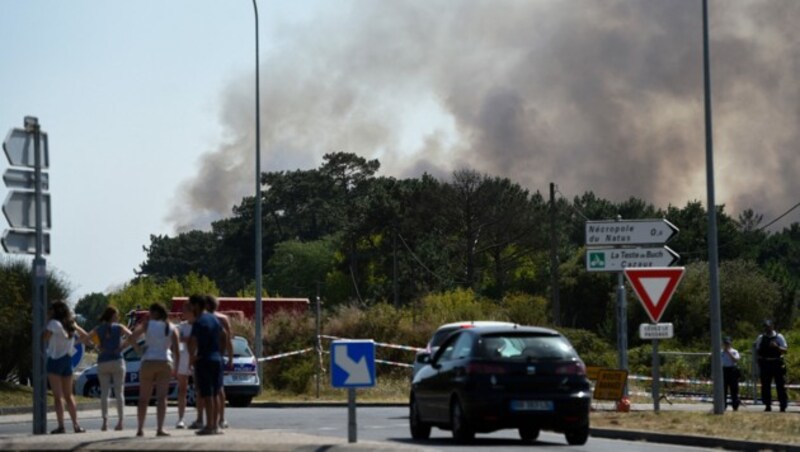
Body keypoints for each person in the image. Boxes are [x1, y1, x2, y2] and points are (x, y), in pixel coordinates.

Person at [123, 303, 180, 436]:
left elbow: (131, 337)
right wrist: (177, 368)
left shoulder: (147, 325)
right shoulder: (171, 328)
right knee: (162, 397)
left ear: (154, 313)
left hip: (148, 361)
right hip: (165, 362)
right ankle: (160, 428)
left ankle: (140, 428)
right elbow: (176, 350)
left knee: (143, 398)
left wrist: (138, 349)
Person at [43, 301, 88, 434]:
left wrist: (46, 321)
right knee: (69, 395)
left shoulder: (53, 324)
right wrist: (75, 342)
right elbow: (86, 335)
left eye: (50, 310)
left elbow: (45, 338)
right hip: (67, 361)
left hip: (55, 360)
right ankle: (76, 425)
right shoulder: (71, 324)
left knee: (58, 397)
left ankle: (61, 426)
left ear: (55, 311)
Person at [85, 306, 132, 431]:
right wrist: (122, 346)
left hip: (103, 362)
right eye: (117, 315)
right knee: (119, 392)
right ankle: (120, 421)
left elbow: (86, 338)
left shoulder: (98, 329)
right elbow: (131, 336)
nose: (118, 317)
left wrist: (96, 347)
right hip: (117, 361)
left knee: (104, 393)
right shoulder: (119, 327)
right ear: (113, 316)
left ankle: (105, 422)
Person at [188, 294, 228, 436]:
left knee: (207, 394)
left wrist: (192, 358)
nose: (189, 308)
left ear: (197, 305)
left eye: (191, 305)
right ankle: (216, 425)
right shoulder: (214, 319)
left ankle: (209, 426)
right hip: (217, 358)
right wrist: (221, 352)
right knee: (216, 393)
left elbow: (192, 341)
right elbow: (224, 335)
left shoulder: (199, 321)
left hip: (204, 359)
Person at [206, 295, 234, 429]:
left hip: (210, 356)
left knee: (212, 389)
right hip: (219, 356)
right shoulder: (223, 319)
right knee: (218, 388)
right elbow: (229, 340)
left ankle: (216, 419)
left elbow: (227, 339)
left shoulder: (205, 319)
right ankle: (219, 419)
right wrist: (230, 357)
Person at [755, 320, 788, 412]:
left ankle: (783, 405)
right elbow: (758, 350)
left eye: (768, 326)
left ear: (772, 326)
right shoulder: (761, 337)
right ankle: (767, 405)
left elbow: (785, 350)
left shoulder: (779, 337)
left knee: (780, 385)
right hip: (765, 363)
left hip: (777, 363)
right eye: (765, 327)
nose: (767, 328)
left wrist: (777, 347)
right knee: (765, 386)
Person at [175, 302, 195, 429]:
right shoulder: (181, 326)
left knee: (201, 390)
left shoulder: (199, 325)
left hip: (197, 357)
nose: (183, 313)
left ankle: (201, 418)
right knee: (182, 389)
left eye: (186, 311)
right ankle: (181, 419)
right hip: (183, 357)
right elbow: (176, 339)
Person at [721, 336, 740, 411]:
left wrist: (728, 352)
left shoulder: (734, 351)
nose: (726, 345)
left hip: (732, 370)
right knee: (723, 389)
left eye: (728, 343)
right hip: (724, 370)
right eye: (725, 343)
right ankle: (723, 405)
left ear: (730, 343)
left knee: (734, 389)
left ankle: (735, 405)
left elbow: (735, 360)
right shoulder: (721, 352)